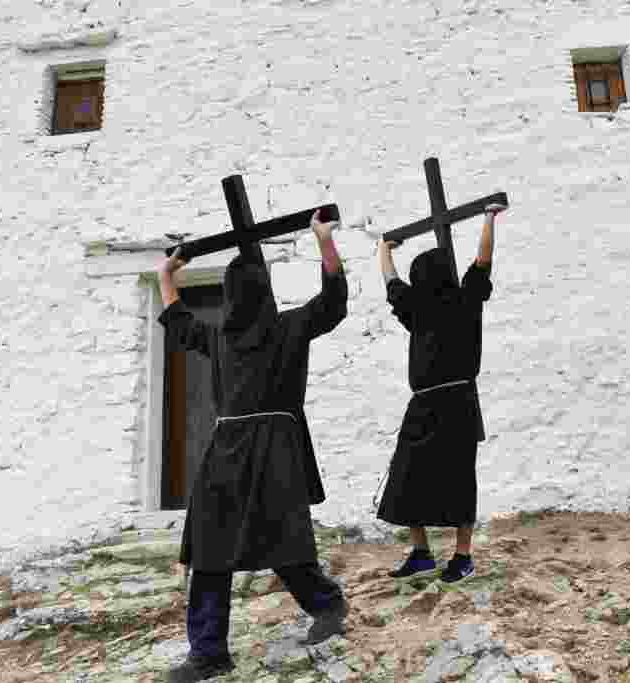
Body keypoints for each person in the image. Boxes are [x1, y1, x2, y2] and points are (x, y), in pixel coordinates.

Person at [156, 210, 350, 683]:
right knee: (208, 550)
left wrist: (167, 277)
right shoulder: (221, 339)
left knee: (283, 541)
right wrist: (163, 276)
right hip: (226, 453)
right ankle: (208, 653)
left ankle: (327, 604)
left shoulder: (287, 329)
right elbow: (180, 322)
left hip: (274, 449)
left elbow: (332, 304)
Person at [374, 203, 506, 584]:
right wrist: (487, 219)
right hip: (432, 404)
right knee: (407, 476)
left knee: (457, 479)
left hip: (455, 403)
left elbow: (390, 280)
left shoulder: (442, 303)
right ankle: (421, 554)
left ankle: (463, 557)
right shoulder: (444, 302)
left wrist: (384, 248)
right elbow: (483, 260)